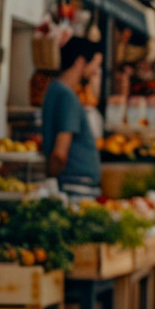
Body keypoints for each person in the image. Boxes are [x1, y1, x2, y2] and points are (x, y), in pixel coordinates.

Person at [43, 37, 104, 199]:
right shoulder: (67, 96)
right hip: (76, 187)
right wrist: (51, 177)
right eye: (94, 64)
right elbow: (59, 153)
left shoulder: (54, 90)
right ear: (80, 62)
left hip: (71, 184)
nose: (95, 71)